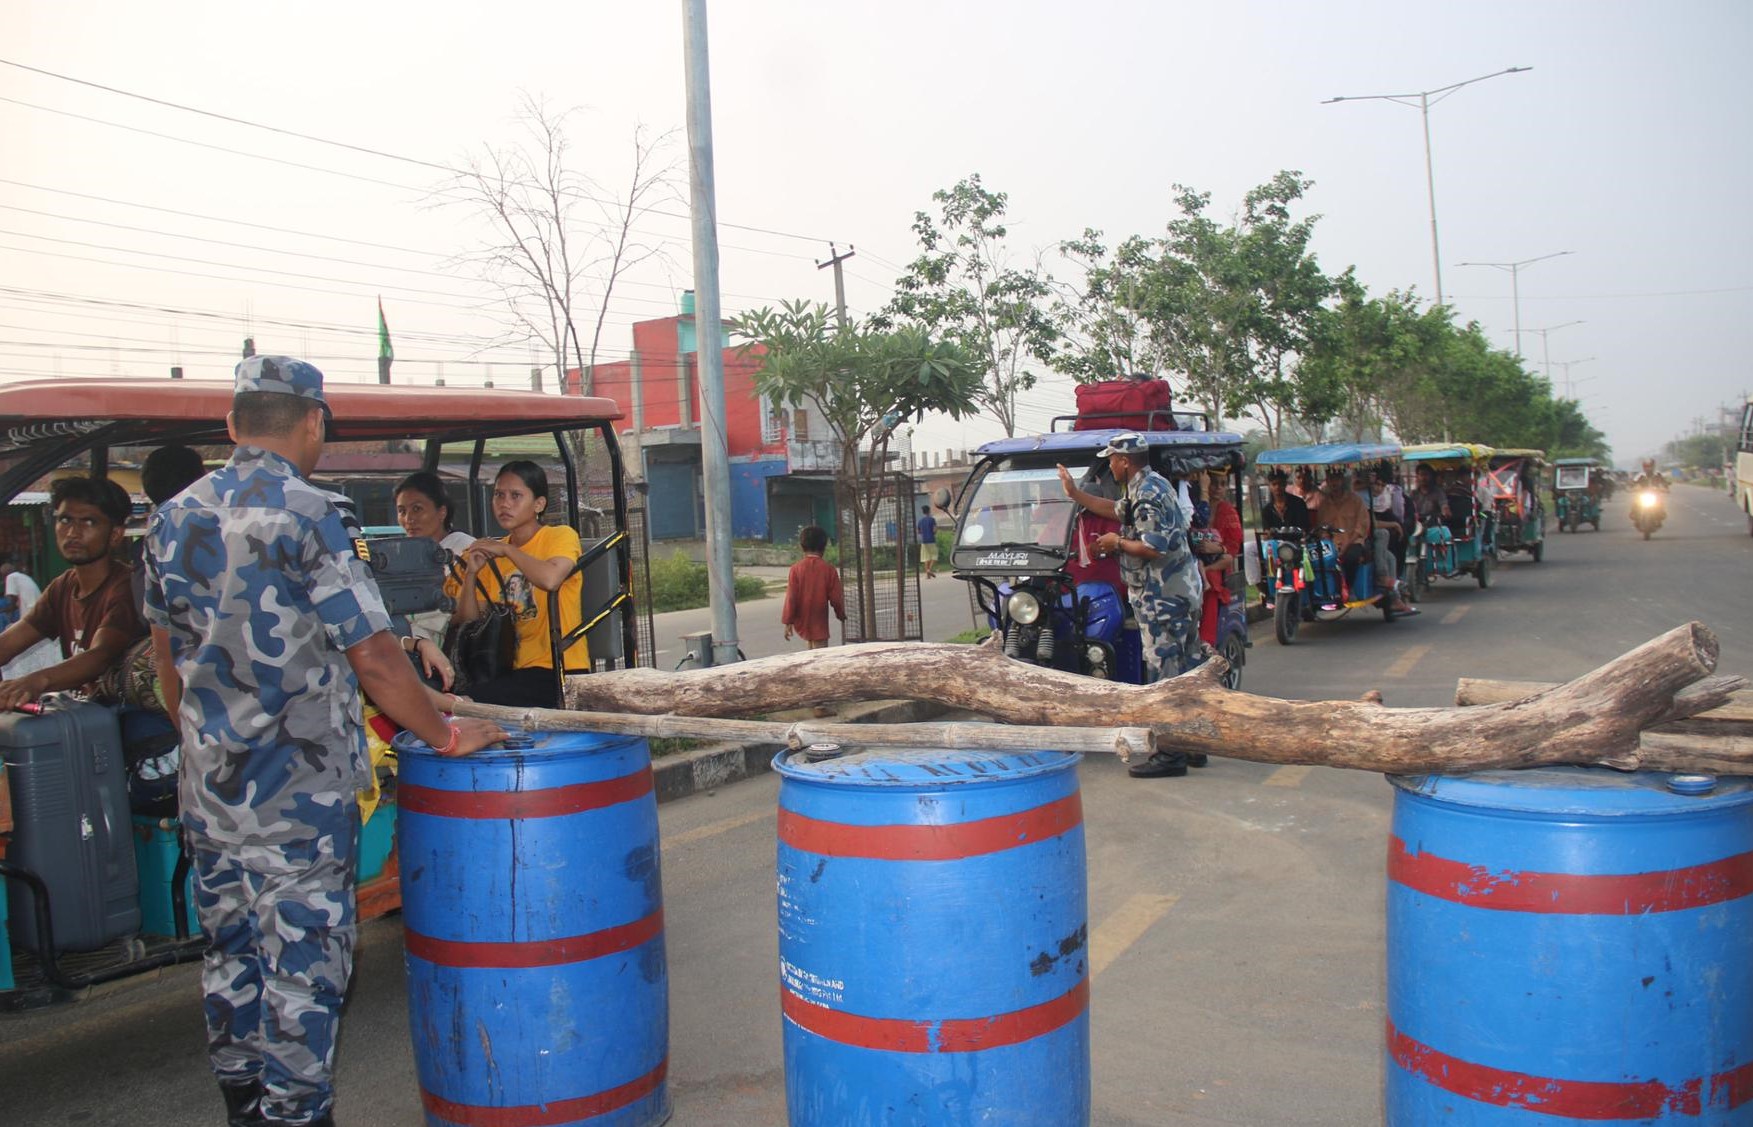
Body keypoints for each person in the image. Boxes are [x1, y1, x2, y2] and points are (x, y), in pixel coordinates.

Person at [143, 355, 505, 1127]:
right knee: (303, 965)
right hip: (297, 795)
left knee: (230, 953)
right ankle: (296, 1112)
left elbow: (163, 660)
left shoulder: (171, 517)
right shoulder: (313, 511)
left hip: (210, 790)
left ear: (234, 423)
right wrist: (445, 734)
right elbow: (373, 654)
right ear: (313, 422)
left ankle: (244, 1103)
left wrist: (206, 742)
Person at [1057, 433, 1203, 779]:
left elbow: (1154, 547)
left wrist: (1116, 542)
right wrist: (1075, 494)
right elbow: (1115, 510)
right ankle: (1193, 744)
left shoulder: (1148, 492)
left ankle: (1169, 754)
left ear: (1125, 461)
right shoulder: (1147, 487)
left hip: (1163, 597)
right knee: (1188, 672)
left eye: (1111, 460)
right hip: (1177, 593)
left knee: (1165, 673)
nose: (1109, 465)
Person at [451, 460, 588, 709]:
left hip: (559, 668)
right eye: (498, 495)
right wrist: (471, 574)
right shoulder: (493, 555)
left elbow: (550, 578)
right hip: (507, 666)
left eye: (516, 496)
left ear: (539, 504)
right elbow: (469, 620)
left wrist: (507, 550)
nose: (504, 504)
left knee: (467, 703)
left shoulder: (560, 536)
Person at [0, 477, 145, 710]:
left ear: (116, 534)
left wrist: (36, 681)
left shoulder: (126, 586)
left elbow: (101, 654)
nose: (72, 533)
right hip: (82, 714)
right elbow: (10, 642)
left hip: (121, 723)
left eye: (88, 522)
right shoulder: (63, 586)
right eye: (65, 520)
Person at [392, 470, 472, 685]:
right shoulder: (402, 555)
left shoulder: (465, 550)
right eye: (402, 511)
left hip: (446, 651)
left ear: (442, 512)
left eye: (417, 509)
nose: (408, 519)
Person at [1314, 468, 1372, 607]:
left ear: (1342, 480)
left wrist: (1346, 545)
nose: (1334, 483)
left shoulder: (1355, 501)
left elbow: (1361, 528)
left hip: (1353, 541)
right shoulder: (1324, 505)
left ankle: (1349, 587)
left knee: (1351, 557)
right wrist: (1326, 542)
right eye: (1330, 480)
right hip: (1331, 544)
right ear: (1327, 482)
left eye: (1336, 479)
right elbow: (1321, 529)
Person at [781, 524, 844, 649]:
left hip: (803, 621)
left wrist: (788, 621)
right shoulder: (829, 570)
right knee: (820, 656)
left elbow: (791, 598)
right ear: (824, 547)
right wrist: (840, 613)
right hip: (819, 622)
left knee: (809, 652)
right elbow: (836, 598)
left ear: (802, 546)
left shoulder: (796, 569)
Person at [0, 553, 55, 679]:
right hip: (35, 611)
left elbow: (11, 602)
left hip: (31, 614)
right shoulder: (22, 577)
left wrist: (3, 610)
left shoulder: (11, 578)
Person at [916, 504, 940, 578]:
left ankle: (927, 575)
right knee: (934, 556)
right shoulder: (932, 519)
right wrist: (933, 532)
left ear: (923, 512)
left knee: (926, 557)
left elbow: (918, 532)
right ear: (929, 511)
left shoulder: (920, 521)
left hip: (924, 541)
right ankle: (929, 570)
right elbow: (935, 530)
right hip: (931, 540)